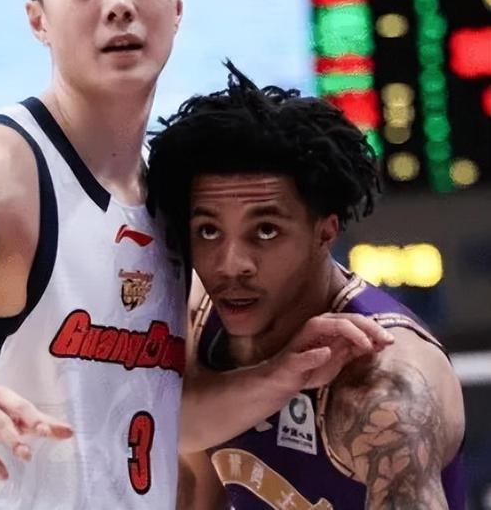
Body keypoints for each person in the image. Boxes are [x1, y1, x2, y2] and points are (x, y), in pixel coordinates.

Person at [0, 0, 393, 508]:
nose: (119, 4)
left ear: (177, 7)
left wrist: (282, 373)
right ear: (38, 20)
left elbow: (160, 418)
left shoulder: (169, 197)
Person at [146, 61, 467, 509]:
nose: (231, 264)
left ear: (325, 231)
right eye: (209, 231)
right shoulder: (195, 322)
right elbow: (184, 463)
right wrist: (274, 378)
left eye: (265, 231)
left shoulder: (386, 388)